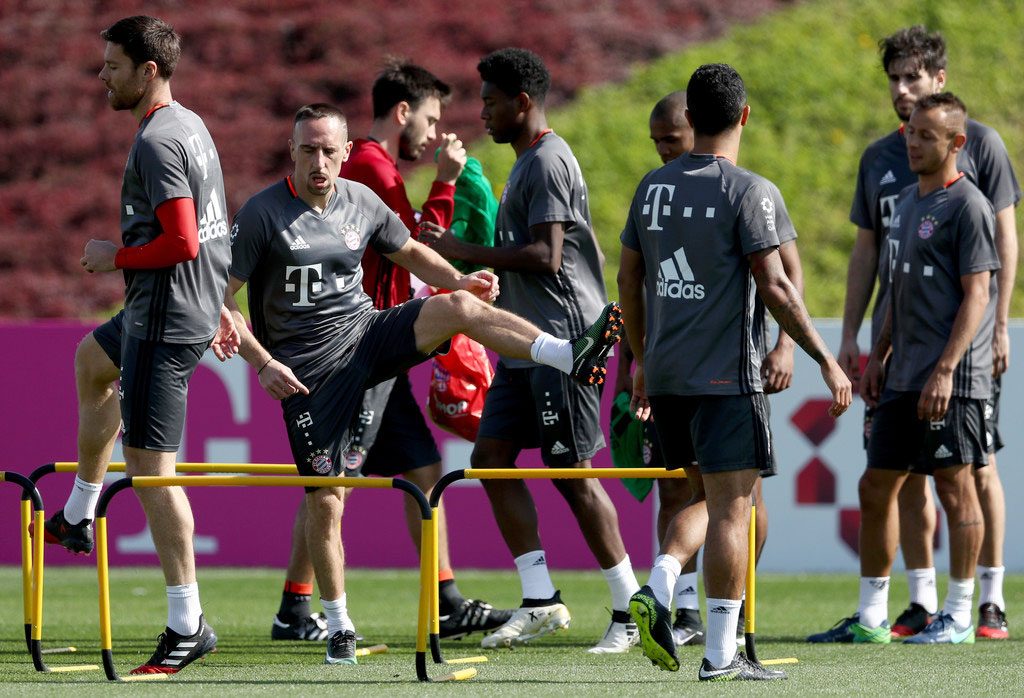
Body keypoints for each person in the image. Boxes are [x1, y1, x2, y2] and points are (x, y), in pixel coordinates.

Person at [225, 102, 623, 664]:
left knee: (458, 305)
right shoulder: (263, 214)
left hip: (366, 334)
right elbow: (222, 300)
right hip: (309, 373)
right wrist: (263, 362)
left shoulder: (360, 200)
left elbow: (410, 251)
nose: (318, 161)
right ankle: (338, 624)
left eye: (328, 151)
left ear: (344, 155)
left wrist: (461, 278)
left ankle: (566, 355)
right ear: (292, 152)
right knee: (328, 499)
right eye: (307, 149)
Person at [619, 63, 851, 681]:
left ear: (689, 119)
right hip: (726, 378)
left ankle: (662, 580)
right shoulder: (750, 190)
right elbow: (775, 283)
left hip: (667, 376)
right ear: (744, 115)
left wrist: (641, 361)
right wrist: (825, 359)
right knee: (733, 509)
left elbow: (628, 281)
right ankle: (719, 654)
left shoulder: (651, 188)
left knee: (706, 498)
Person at [268, 59, 512, 643]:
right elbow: (416, 243)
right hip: (362, 348)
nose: (432, 134)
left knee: (422, 468)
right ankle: (298, 609)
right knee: (331, 483)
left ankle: (444, 598)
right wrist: (447, 182)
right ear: (402, 113)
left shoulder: (372, 168)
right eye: (429, 119)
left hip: (382, 346)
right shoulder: (372, 169)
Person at [420, 47, 641, 654]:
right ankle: (541, 598)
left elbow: (547, 256)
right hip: (526, 343)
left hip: (565, 342)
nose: (482, 112)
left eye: (490, 101)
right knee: (490, 460)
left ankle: (629, 610)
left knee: (572, 475)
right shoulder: (524, 163)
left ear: (522, 102)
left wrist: (465, 252)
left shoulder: (547, 161)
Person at [821, 25, 1019, 642]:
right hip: (900, 363)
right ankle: (893, 611)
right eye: (895, 82)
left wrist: (985, 340)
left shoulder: (974, 180)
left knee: (968, 477)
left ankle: (974, 606)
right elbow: (881, 271)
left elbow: (985, 278)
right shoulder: (902, 195)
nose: (904, 102)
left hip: (955, 367)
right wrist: (868, 345)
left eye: (915, 81)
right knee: (883, 481)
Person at [68, 16, 234, 675]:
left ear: (149, 70)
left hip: (163, 319)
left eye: (112, 64)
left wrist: (116, 258)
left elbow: (185, 241)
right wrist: (220, 300)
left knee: (152, 477)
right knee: (90, 362)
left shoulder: (160, 141)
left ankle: (186, 623)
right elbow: (216, 230)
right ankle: (80, 511)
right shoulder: (189, 124)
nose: (102, 74)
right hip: (173, 306)